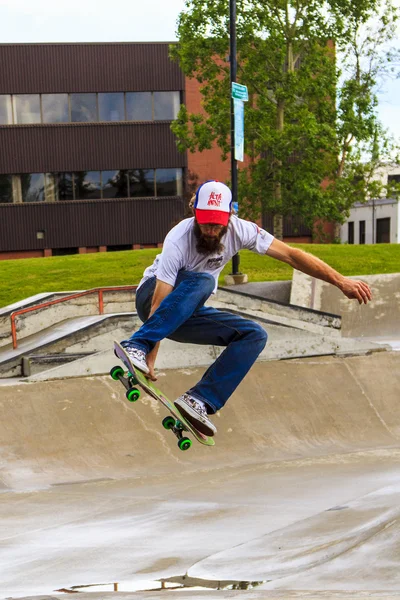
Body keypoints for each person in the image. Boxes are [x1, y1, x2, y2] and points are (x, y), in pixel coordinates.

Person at [120, 180, 372, 436]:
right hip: (151, 296)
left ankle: (199, 400)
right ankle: (136, 345)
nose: (210, 230)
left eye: (217, 223)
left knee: (253, 335)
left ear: (230, 216)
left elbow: (292, 256)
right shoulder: (178, 238)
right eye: (205, 222)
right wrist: (147, 353)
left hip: (186, 313)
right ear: (194, 212)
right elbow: (160, 301)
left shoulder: (243, 230)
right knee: (205, 280)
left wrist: (341, 281)